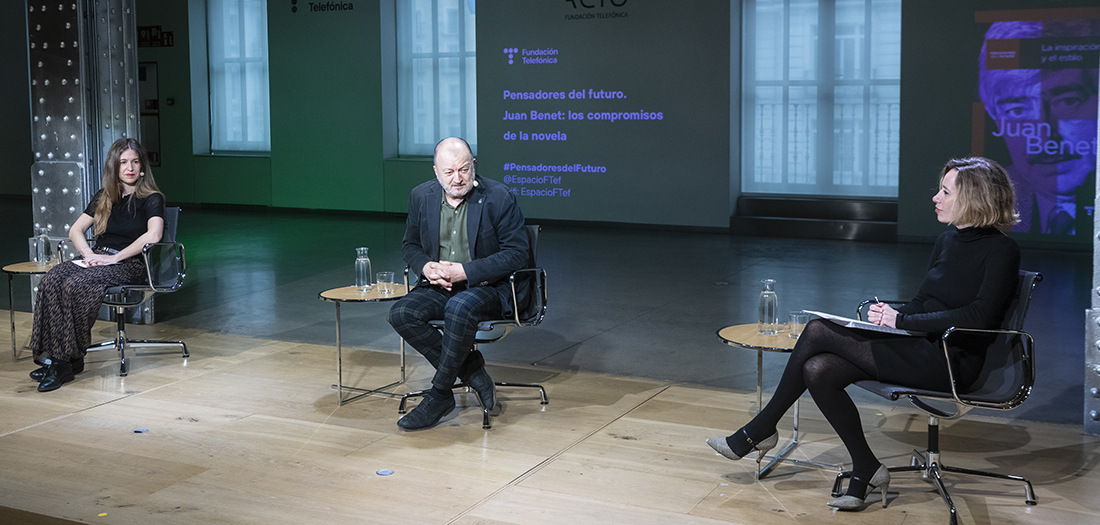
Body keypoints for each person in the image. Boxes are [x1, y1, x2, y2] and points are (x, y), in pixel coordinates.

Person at [707, 157, 1021, 511]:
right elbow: (924, 301)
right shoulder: (948, 241)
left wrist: (903, 322)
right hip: (920, 346)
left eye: (945, 192)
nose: (936, 198)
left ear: (974, 198)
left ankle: (760, 429)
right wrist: (889, 316)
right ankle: (866, 467)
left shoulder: (1002, 250)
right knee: (818, 370)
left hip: (951, 361)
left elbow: (979, 316)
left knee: (818, 330)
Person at [387, 137, 529, 430]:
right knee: (401, 313)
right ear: (436, 171)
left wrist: (465, 271)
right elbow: (410, 245)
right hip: (441, 286)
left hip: (490, 287)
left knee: (460, 307)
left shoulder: (499, 197)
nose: (457, 178)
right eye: (449, 172)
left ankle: (439, 395)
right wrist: (425, 266)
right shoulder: (421, 196)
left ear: (473, 165)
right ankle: (472, 371)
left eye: (464, 169)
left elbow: (517, 253)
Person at [28, 138, 166, 392]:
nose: (130, 168)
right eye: (123, 162)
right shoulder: (104, 196)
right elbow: (75, 229)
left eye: (135, 162)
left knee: (75, 285)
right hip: (100, 257)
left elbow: (154, 235)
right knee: (51, 280)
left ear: (142, 167)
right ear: (114, 166)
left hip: (130, 263)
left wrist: (115, 257)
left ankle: (63, 361)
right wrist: (88, 253)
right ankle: (60, 358)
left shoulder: (151, 198)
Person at [978, 20, 1099, 235]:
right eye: (1017, 110)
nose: (1044, 138)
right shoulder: (990, 197)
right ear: (995, 118)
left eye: (1067, 101)